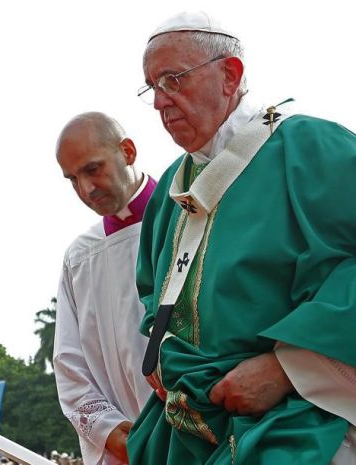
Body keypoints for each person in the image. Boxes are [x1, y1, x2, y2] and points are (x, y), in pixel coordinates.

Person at [127, 12, 356, 465]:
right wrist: (161, 350)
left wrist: (288, 369)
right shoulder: (172, 186)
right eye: (151, 86)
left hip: (295, 424)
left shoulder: (310, 149)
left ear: (229, 75)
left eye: (173, 80)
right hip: (185, 429)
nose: (159, 101)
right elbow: (154, 299)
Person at [53, 112, 156, 465]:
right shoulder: (80, 257)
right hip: (128, 449)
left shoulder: (192, 217)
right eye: (73, 180)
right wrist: (109, 433)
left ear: (128, 151)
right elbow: (69, 365)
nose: (86, 189)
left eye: (93, 169)